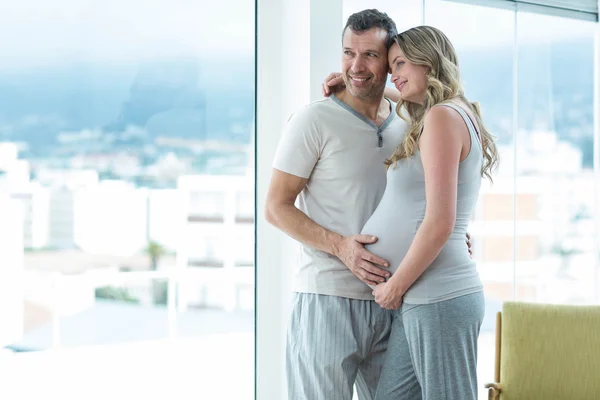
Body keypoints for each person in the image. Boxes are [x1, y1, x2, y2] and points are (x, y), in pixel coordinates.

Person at [266, 9, 473, 400]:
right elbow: (276, 207)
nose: (355, 66)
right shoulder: (312, 120)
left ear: (393, 61)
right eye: (348, 53)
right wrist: (341, 246)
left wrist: (455, 233)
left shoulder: (409, 121)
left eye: (371, 56)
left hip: (396, 298)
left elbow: (430, 191)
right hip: (328, 297)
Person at [326, 26, 499, 399]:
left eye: (401, 63)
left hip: (436, 295)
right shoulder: (448, 113)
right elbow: (408, 95)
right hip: (423, 296)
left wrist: (395, 286)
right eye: (391, 66)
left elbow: (440, 221)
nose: (395, 74)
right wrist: (355, 83)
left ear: (430, 61)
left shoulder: (441, 118)